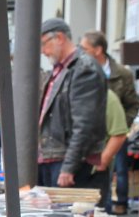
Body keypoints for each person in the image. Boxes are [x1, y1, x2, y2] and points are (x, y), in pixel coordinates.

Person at [36, 17, 107, 189]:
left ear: (59, 38)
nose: (43, 51)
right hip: (54, 157)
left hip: (64, 160)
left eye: (44, 44)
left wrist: (69, 167)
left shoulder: (83, 68)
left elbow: (84, 124)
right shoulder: (62, 69)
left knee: (62, 206)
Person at [80, 32, 139, 213]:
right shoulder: (82, 70)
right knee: (97, 176)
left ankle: (120, 202)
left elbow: (133, 104)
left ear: (98, 50)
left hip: (115, 132)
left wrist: (123, 125)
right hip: (93, 135)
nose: (81, 53)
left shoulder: (122, 73)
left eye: (85, 49)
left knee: (119, 168)